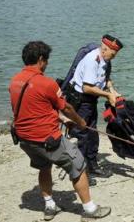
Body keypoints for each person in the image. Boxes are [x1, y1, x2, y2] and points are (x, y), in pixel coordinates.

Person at [9, 41, 110, 221]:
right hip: (47, 139)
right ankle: (90, 210)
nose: (47, 64)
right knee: (78, 164)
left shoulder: (15, 81)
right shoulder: (47, 83)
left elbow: (32, 110)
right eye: (46, 60)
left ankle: (49, 206)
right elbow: (67, 108)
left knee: (44, 166)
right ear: (41, 60)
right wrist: (79, 122)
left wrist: (62, 120)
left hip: (25, 140)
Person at [69, 34, 123, 178]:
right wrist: (107, 96)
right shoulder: (93, 60)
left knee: (92, 134)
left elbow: (105, 79)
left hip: (91, 101)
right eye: (113, 54)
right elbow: (87, 87)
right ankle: (81, 173)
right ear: (105, 48)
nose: (114, 57)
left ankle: (92, 165)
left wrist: (112, 91)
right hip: (81, 101)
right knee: (82, 136)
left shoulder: (105, 60)